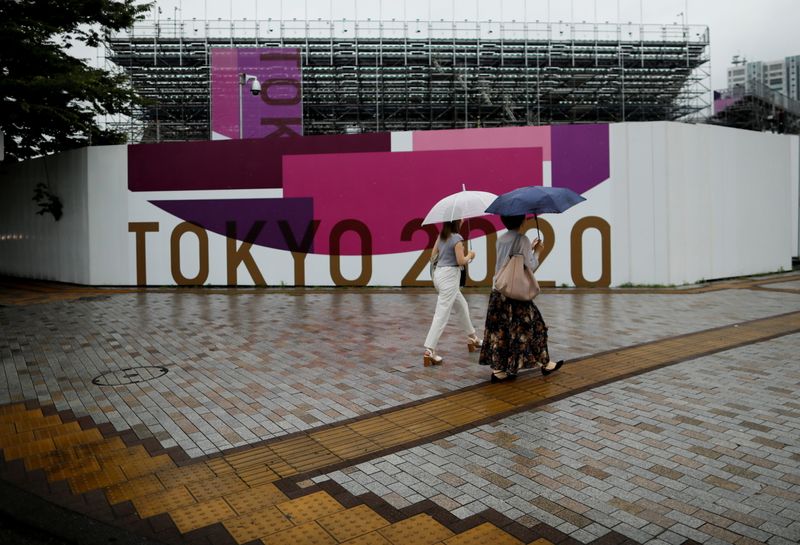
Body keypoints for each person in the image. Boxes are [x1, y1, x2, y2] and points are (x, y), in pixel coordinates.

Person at [479, 214, 563, 382]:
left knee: (500, 331)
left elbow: (510, 263)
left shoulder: (501, 239)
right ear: (522, 220)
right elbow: (529, 266)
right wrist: (537, 252)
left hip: (499, 290)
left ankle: (499, 371)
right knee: (536, 325)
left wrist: (529, 250)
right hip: (516, 295)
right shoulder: (522, 239)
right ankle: (545, 364)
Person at [423, 219, 483, 366]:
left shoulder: (441, 235)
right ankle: (429, 350)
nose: (463, 220)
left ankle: (473, 338)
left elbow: (432, 256)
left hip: (439, 276)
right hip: (449, 278)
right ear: (456, 221)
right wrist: (471, 256)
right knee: (441, 315)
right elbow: (461, 261)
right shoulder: (457, 238)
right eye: (461, 218)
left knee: (462, 305)